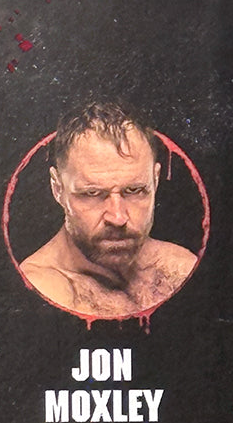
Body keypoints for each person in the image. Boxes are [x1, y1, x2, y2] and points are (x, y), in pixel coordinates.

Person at [21, 101, 197, 317]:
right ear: (58, 189)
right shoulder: (39, 288)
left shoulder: (181, 266)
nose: (118, 217)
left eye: (134, 190)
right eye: (92, 193)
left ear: (155, 180)